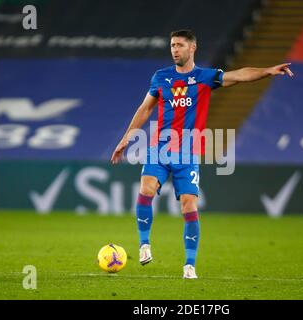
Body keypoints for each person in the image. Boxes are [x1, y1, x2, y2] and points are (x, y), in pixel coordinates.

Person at [111, 29, 293, 279]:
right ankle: (144, 245)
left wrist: (267, 71)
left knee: (188, 205)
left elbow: (239, 75)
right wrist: (126, 138)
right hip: (159, 149)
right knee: (146, 189)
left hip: (188, 153)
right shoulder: (161, 77)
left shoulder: (205, 77)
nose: (174, 49)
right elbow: (145, 109)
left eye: (179, 45)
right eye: (172, 45)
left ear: (192, 48)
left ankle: (189, 265)